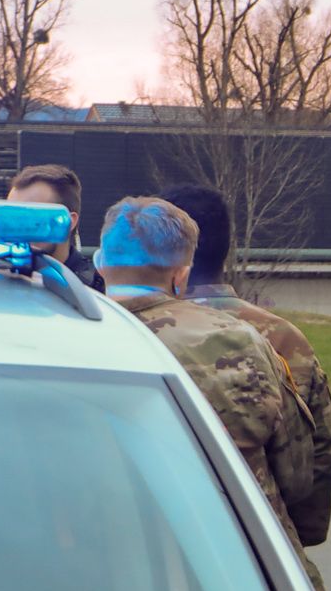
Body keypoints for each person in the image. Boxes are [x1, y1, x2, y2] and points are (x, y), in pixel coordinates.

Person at [97, 197, 314, 551]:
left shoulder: (68, 337)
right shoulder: (240, 340)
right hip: (236, 555)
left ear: (101, 265)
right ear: (181, 276)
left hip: (112, 555)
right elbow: (297, 474)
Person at [160, 183, 331, 579]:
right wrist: (300, 531)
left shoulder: (140, 334)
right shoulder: (282, 337)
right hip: (263, 558)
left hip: (163, 556)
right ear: (229, 246)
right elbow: (320, 447)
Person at [7, 163, 102, 290]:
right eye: (10, 216)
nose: (18, 228)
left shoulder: (90, 291)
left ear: (68, 222)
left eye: (33, 217)